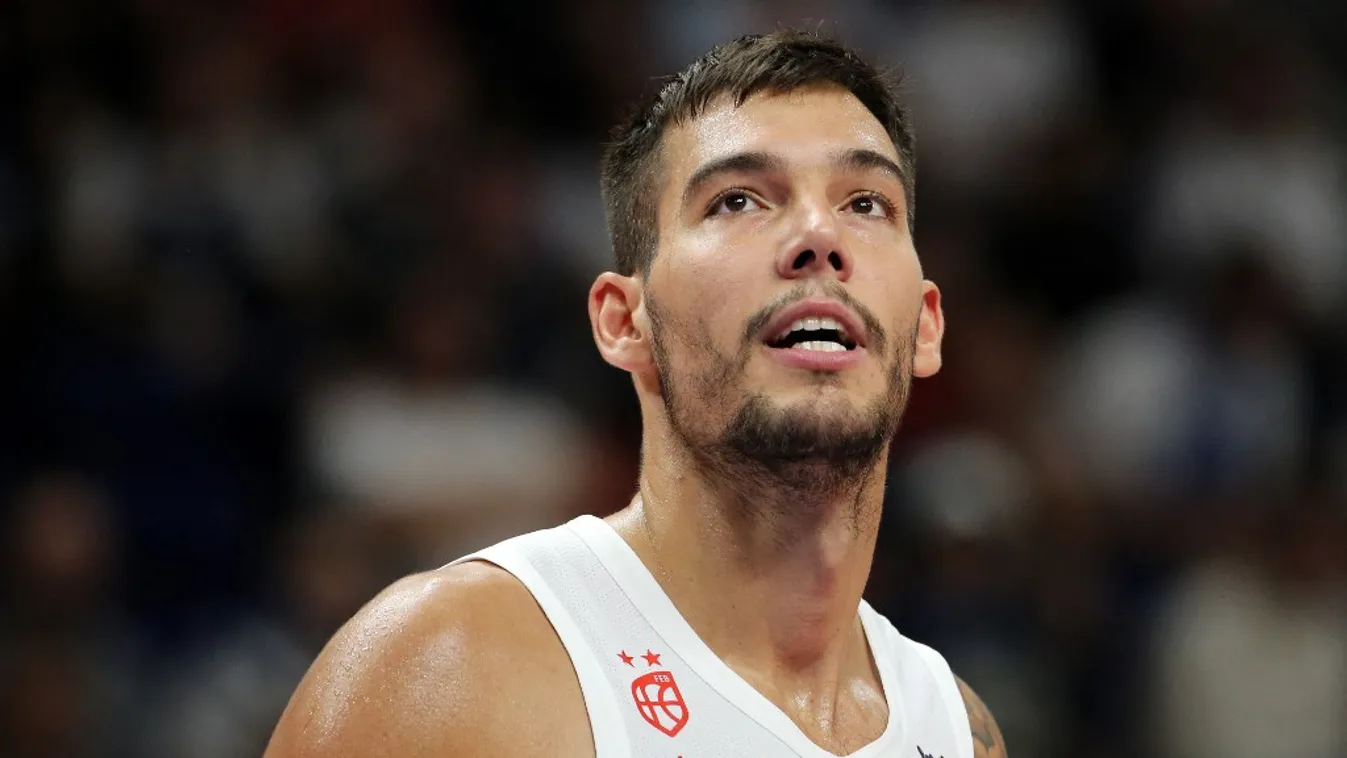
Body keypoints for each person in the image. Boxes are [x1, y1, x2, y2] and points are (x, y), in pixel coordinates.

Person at [265, 29, 1007, 758]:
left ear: (925, 327)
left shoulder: (951, 726)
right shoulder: (449, 665)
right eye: (739, 200)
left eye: (865, 202)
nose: (818, 234)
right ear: (625, 321)